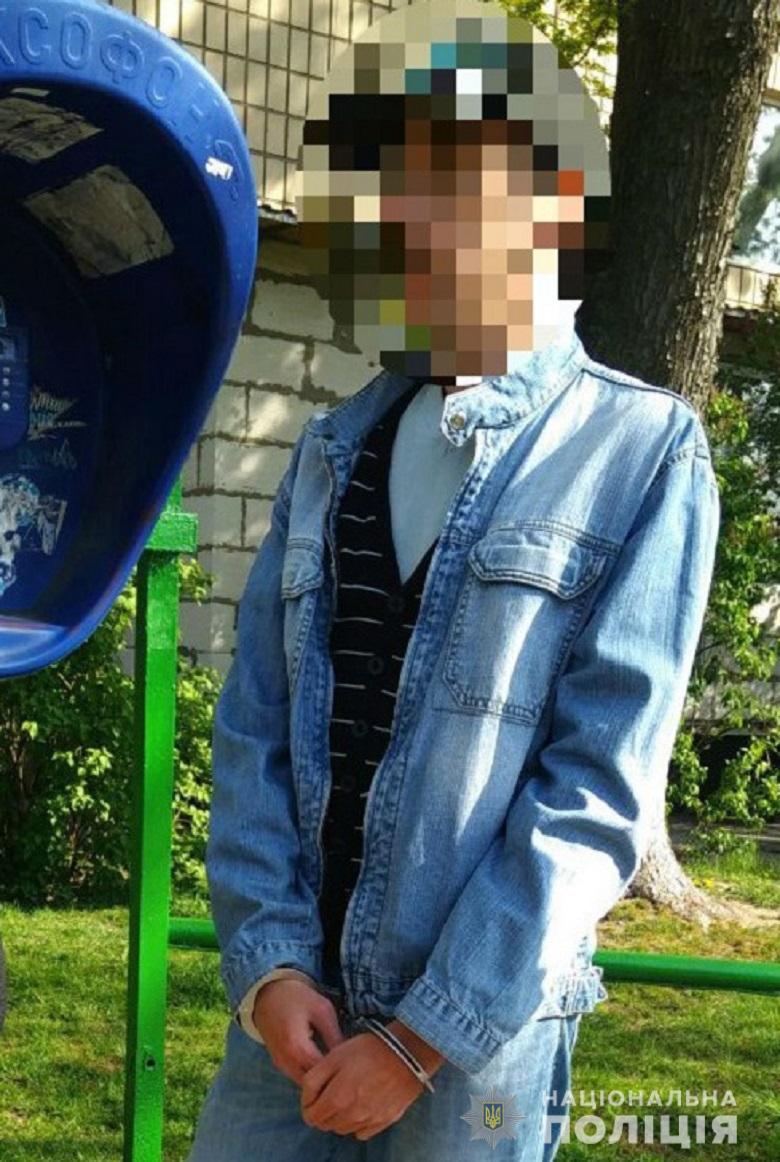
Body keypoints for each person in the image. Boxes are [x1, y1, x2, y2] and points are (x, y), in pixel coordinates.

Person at [188, 3, 720, 1159]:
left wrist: (424, 1036)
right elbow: (255, 728)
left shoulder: (640, 452)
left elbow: (597, 788)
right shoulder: (332, 449)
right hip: (289, 1034)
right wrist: (269, 966)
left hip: (477, 1052)